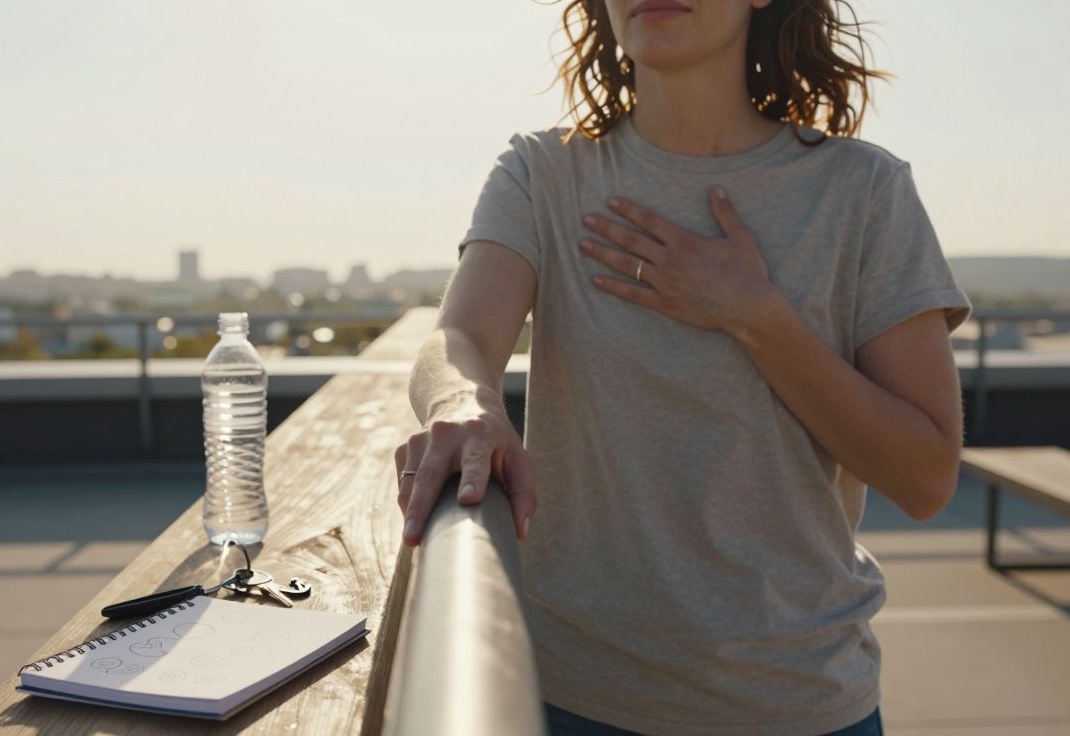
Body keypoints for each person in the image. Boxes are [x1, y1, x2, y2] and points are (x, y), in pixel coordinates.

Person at [394, 0, 972, 734]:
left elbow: (926, 478)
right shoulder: (544, 171)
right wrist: (461, 404)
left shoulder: (864, 191)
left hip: (799, 701)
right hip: (570, 692)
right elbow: (460, 339)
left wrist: (754, 315)